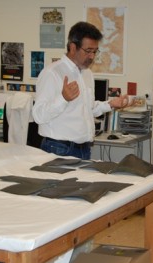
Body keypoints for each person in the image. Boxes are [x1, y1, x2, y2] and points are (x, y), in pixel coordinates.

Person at [32, 21, 129, 159]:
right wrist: (63, 99)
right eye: (88, 51)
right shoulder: (52, 73)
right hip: (59, 149)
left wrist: (111, 104)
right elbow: (38, 116)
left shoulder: (86, 73)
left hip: (84, 149)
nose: (92, 56)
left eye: (95, 51)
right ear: (72, 47)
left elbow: (87, 109)